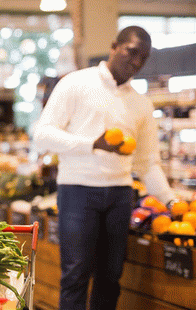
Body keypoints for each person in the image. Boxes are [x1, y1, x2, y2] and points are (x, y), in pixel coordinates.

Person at [33, 26, 175, 310]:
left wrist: (171, 201)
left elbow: (147, 163)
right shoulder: (75, 83)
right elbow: (42, 136)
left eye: (143, 58)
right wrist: (92, 144)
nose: (136, 62)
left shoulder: (141, 104)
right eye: (131, 52)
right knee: (75, 275)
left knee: (110, 280)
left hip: (120, 196)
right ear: (114, 46)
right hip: (77, 193)